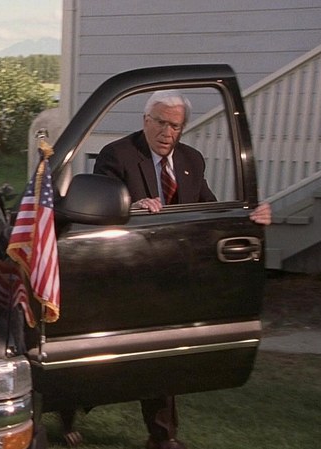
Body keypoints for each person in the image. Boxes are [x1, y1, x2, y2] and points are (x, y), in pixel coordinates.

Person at [58, 90, 271, 449]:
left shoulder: (192, 160)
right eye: (160, 122)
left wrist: (250, 217)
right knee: (94, 355)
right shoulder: (118, 155)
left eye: (175, 125)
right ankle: (66, 413)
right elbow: (98, 208)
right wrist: (134, 206)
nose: (166, 132)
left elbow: (209, 209)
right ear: (146, 120)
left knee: (161, 357)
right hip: (120, 270)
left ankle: (162, 437)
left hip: (167, 274)